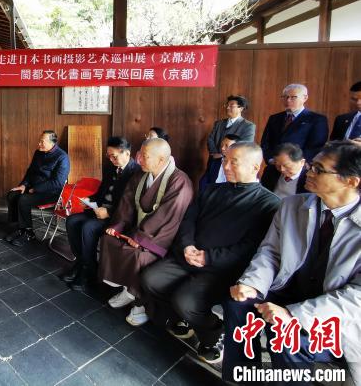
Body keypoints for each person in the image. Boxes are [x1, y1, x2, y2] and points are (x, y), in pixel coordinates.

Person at [224, 141, 361, 385]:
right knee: (238, 302)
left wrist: (293, 314)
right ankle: (243, 378)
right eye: (311, 166)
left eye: (319, 170)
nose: (309, 172)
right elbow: (270, 252)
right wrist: (252, 283)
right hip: (287, 290)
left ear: (350, 181)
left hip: (333, 315)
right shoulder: (292, 205)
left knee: (288, 337)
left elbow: (356, 298)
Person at [141, 142, 280, 365]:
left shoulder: (269, 203)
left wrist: (209, 257)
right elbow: (189, 220)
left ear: (256, 167)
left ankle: (213, 333)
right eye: (225, 160)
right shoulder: (212, 189)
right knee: (150, 279)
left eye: (234, 162)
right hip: (188, 256)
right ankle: (183, 318)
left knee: (186, 302)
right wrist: (187, 246)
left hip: (220, 269)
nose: (226, 166)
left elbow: (251, 247)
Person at [97, 138, 193, 326]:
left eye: (145, 156)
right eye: (139, 154)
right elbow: (127, 203)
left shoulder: (180, 181)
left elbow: (168, 216)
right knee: (109, 240)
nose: (138, 159)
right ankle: (127, 290)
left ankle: (140, 304)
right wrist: (118, 226)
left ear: (161, 159)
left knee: (139, 256)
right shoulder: (141, 175)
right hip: (137, 230)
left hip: (161, 237)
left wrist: (141, 238)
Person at [62, 136, 141, 291]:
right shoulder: (110, 167)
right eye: (108, 156)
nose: (111, 159)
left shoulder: (136, 173)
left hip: (118, 217)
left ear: (127, 153)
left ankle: (89, 272)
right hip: (99, 210)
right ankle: (82, 262)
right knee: (71, 220)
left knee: (88, 227)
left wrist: (109, 212)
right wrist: (89, 200)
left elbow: (132, 205)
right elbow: (101, 192)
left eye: (114, 156)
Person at [5, 130, 70, 247]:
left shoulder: (62, 157)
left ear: (52, 143)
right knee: (12, 195)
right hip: (33, 186)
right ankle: (20, 228)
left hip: (52, 192)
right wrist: (24, 185)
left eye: (42, 141)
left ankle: (29, 233)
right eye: (39, 141)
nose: (39, 144)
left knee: (23, 199)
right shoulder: (38, 152)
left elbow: (58, 183)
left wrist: (35, 189)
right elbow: (31, 171)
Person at [261, 84, 328, 166]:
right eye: (285, 97)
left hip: (299, 167)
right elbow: (265, 143)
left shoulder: (316, 119)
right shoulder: (274, 118)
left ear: (305, 98)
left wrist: (297, 164)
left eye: (293, 97)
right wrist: (271, 159)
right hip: (274, 166)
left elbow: (316, 146)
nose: (288, 100)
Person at [203, 95, 255, 188]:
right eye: (227, 105)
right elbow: (210, 139)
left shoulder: (248, 126)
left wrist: (222, 155)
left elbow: (245, 146)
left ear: (241, 108)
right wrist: (214, 153)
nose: (227, 108)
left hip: (232, 164)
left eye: (231, 106)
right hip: (214, 161)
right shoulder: (219, 123)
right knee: (207, 185)